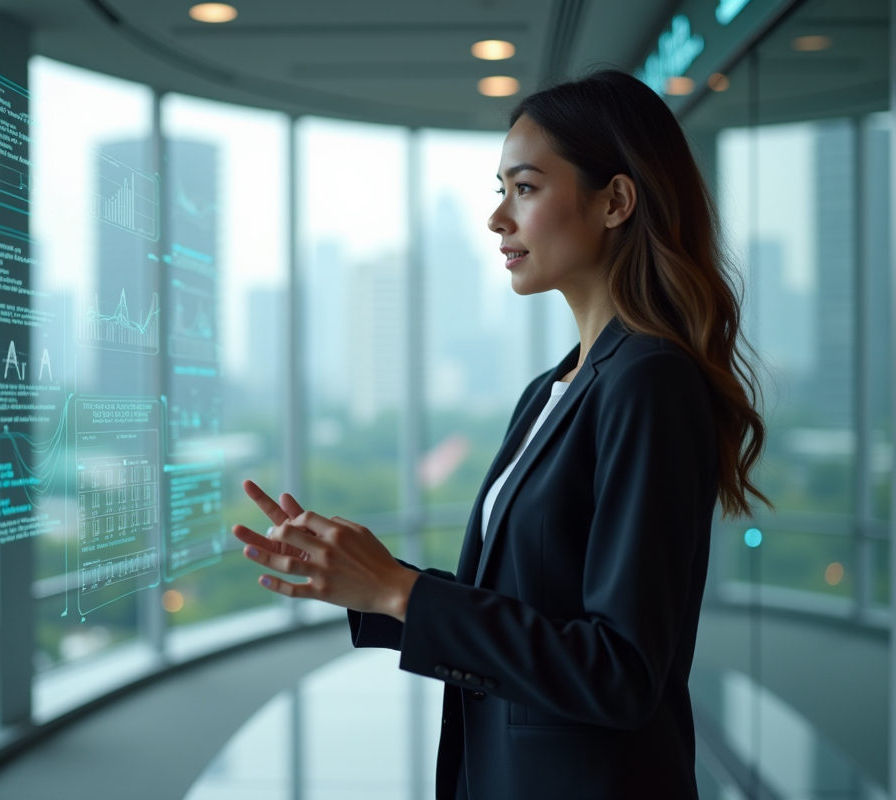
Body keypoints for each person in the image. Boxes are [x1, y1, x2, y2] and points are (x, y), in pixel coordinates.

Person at [232, 69, 768, 800]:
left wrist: (403, 593)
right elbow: (531, 606)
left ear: (615, 201)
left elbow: (621, 670)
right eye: (501, 189)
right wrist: (373, 582)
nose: (497, 219)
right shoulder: (555, 387)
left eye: (525, 188)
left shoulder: (648, 381)